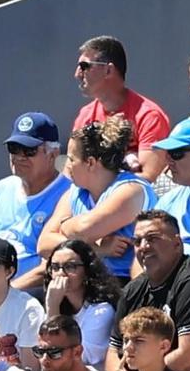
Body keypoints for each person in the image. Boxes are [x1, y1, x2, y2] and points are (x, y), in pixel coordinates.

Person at [39, 115, 160, 283]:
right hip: (90, 283)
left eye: (71, 159)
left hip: (129, 283)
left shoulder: (131, 190)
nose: (66, 166)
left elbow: (83, 228)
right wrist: (96, 249)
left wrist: (65, 224)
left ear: (90, 162)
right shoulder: (75, 191)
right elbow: (44, 245)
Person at [115, 208, 190, 371]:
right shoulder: (133, 289)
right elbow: (113, 351)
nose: (143, 247)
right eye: (137, 241)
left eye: (152, 239)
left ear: (177, 244)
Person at [0, 112, 74, 288]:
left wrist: (8, 292)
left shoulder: (70, 193)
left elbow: (59, 262)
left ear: (52, 154)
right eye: (13, 149)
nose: (19, 157)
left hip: (37, 290)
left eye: (29, 151)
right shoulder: (0, 189)